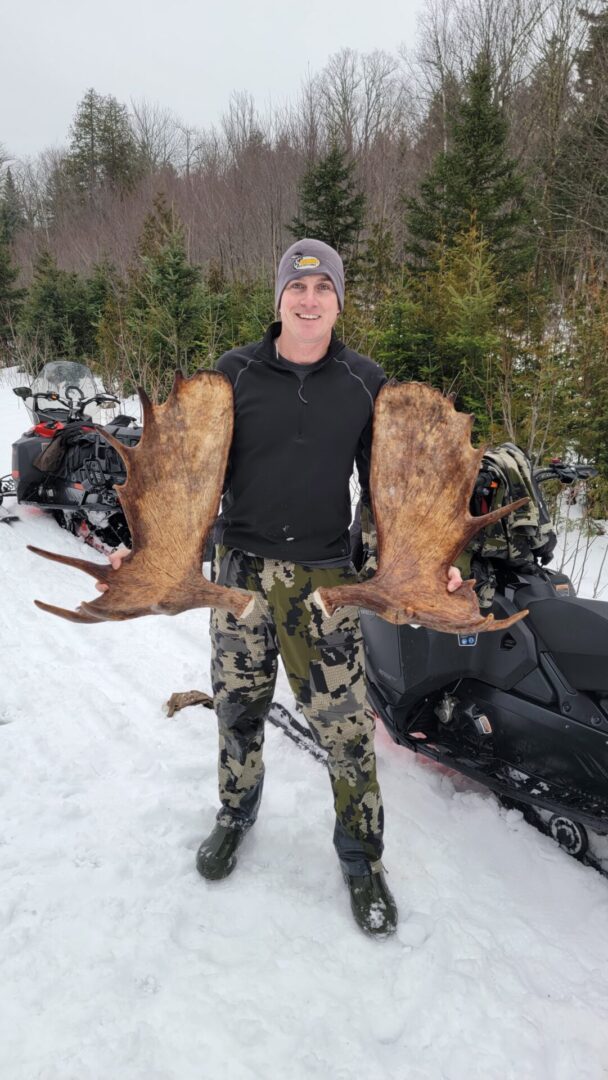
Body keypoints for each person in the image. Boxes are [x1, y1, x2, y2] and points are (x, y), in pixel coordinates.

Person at [100, 238, 462, 938]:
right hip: (240, 577)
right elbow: (189, 485)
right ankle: (236, 815)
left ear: (337, 300)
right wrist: (145, 549)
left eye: (323, 288)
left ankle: (361, 856)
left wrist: (432, 561)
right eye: (297, 289)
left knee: (347, 729)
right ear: (279, 299)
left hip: (326, 581)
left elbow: (394, 491)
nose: (308, 300)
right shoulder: (231, 376)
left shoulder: (365, 381)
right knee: (238, 710)